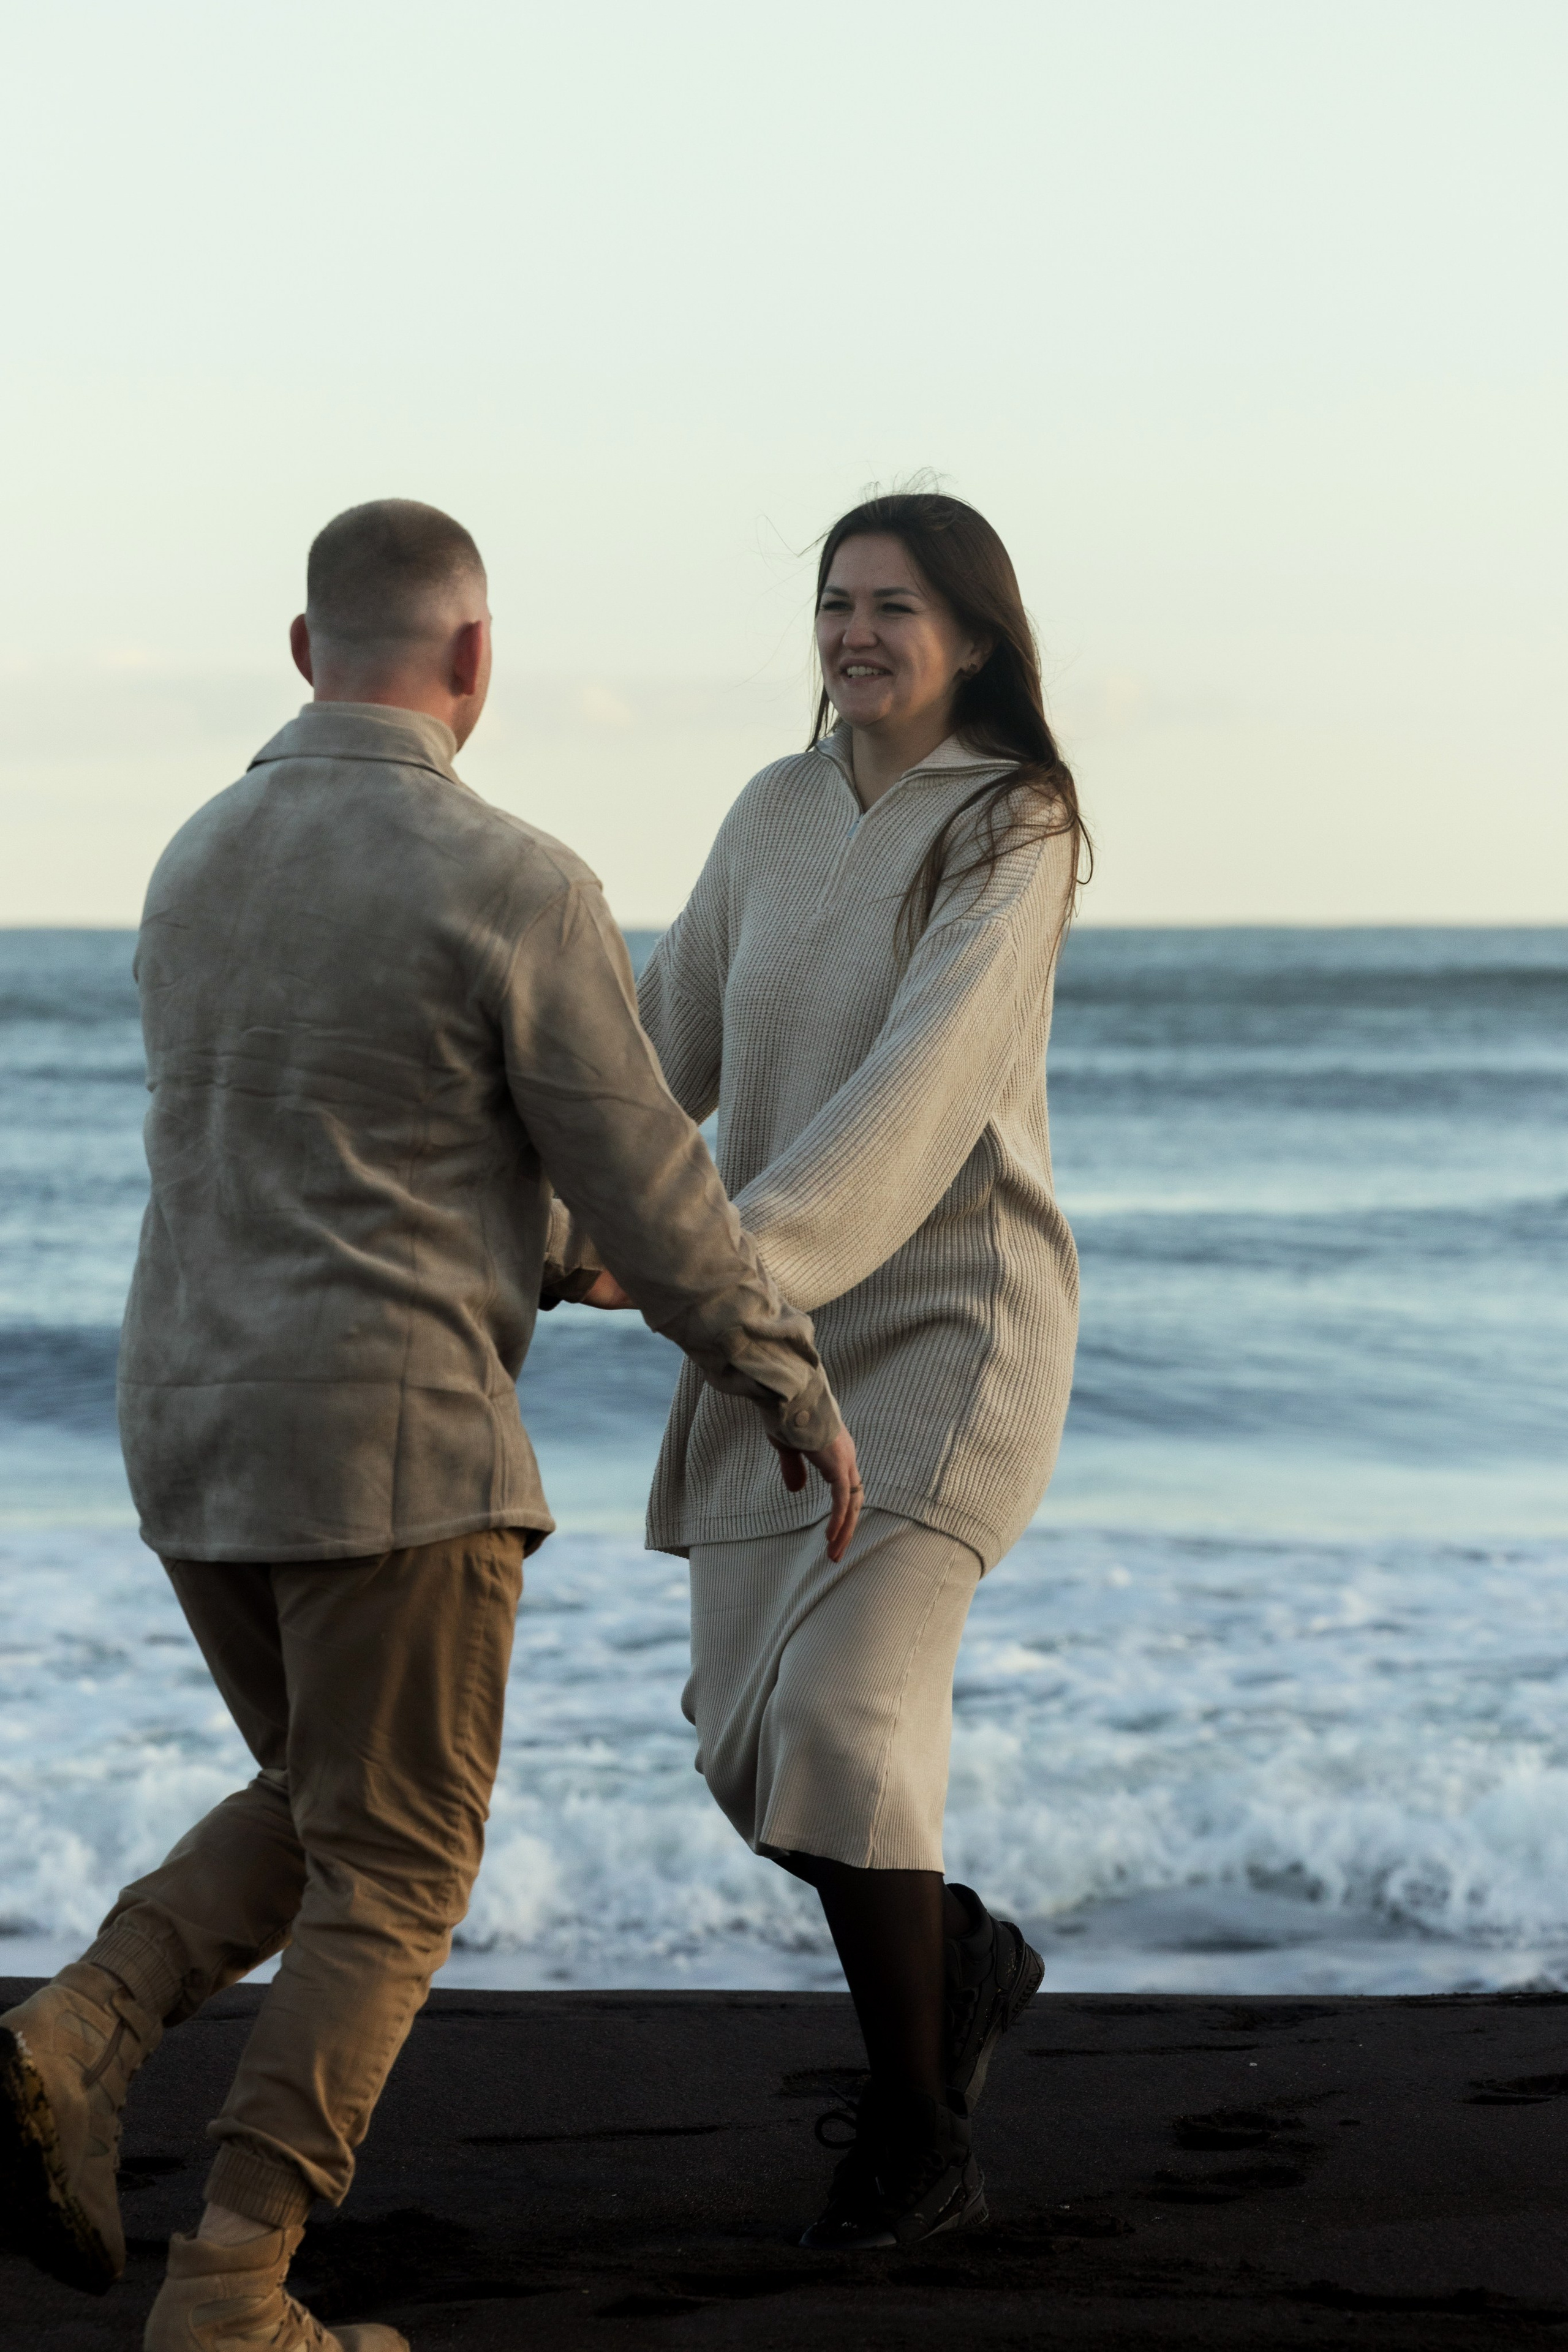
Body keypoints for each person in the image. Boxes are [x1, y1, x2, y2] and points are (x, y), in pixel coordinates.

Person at [0, 500, 859, 2350]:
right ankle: (231, 2288)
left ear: (305, 652)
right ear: (475, 662)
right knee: (401, 1861)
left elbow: (338, 1145)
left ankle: (72, 2035)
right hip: (392, 1453)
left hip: (192, 1436)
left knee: (326, 1809)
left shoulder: (190, 857)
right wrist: (780, 1369)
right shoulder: (513, 878)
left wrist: (538, 1249)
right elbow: (644, 1176)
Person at [586, 491, 1088, 2248]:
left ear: (975, 635)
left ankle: (919, 2130)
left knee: (846, 1725)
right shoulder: (775, 812)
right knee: (747, 1757)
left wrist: (714, 1260)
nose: (856, 635)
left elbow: (922, 1092)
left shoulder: (1015, 830)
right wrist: (575, 1207)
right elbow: (661, 1054)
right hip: (765, 1333)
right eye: (834, 606)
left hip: (949, 1319)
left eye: (892, 607)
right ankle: (955, 1958)